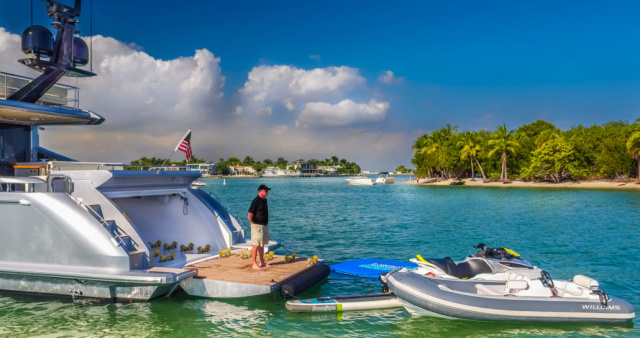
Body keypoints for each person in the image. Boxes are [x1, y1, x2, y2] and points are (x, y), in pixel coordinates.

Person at [248, 184, 271, 270]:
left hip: (264, 225)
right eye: (266, 191)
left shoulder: (265, 200)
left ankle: (262, 262)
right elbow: (250, 214)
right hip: (256, 226)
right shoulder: (256, 200)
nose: (267, 192)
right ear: (260, 191)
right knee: (255, 245)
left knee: (262, 245)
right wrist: (251, 223)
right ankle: (254, 264)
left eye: (267, 191)